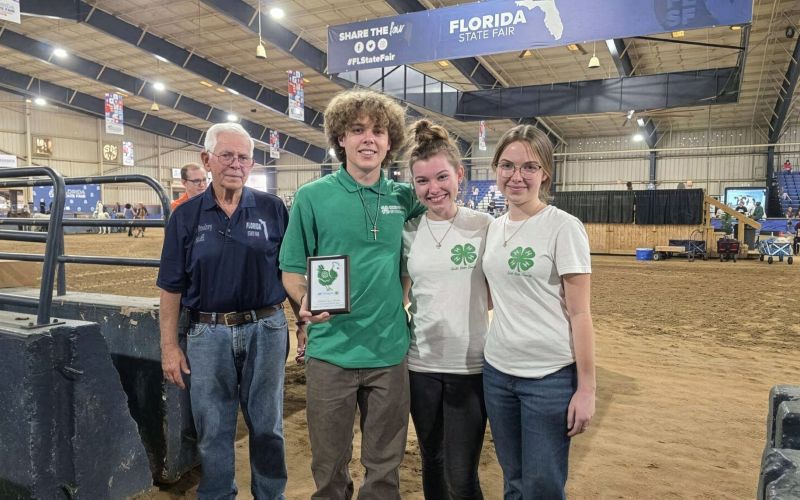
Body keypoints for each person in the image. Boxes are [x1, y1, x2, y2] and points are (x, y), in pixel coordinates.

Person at [279, 89, 424, 499]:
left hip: (389, 353)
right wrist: (305, 301)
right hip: (331, 353)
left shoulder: (405, 198)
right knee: (328, 468)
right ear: (340, 138)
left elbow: (426, 246)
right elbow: (291, 269)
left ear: (390, 141)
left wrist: (402, 295)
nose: (369, 139)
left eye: (378, 131)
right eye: (358, 130)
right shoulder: (312, 197)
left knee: (385, 469)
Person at [157, 122, 293, 499]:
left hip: (266, 328)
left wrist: (305, 322)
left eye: (243, 158)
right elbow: (171, 287)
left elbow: (291, 270)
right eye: (227, 156)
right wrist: (169, 347)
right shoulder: (185, 216)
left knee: (268, 426)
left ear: (252, 165)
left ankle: (271, 495)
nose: (236, 164)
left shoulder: (272, 209)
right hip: (207, 334)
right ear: (207, 160)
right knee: (212, 428)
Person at [481, 124, 596, 499]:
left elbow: (581, 315)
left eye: (529, 167)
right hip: (498, 374)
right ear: (496, 169)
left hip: (548, 379)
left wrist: (586, 389)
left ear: (545, 173)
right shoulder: (493, 229)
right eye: (507, 165)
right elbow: (493, 297)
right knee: (513, 480)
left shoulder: (563, 228)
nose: (516, 176)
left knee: (543, 486)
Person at [400, 120, 493, 499]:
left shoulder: (485, 226)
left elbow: (494, 293)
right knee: (432, 461)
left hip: (469, 367)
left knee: (461, 473)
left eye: (441, 177)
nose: (433, 188)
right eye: (422, 181)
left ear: (459, 175)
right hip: (420, 366)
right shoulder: (408, 230)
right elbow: (401, 294)